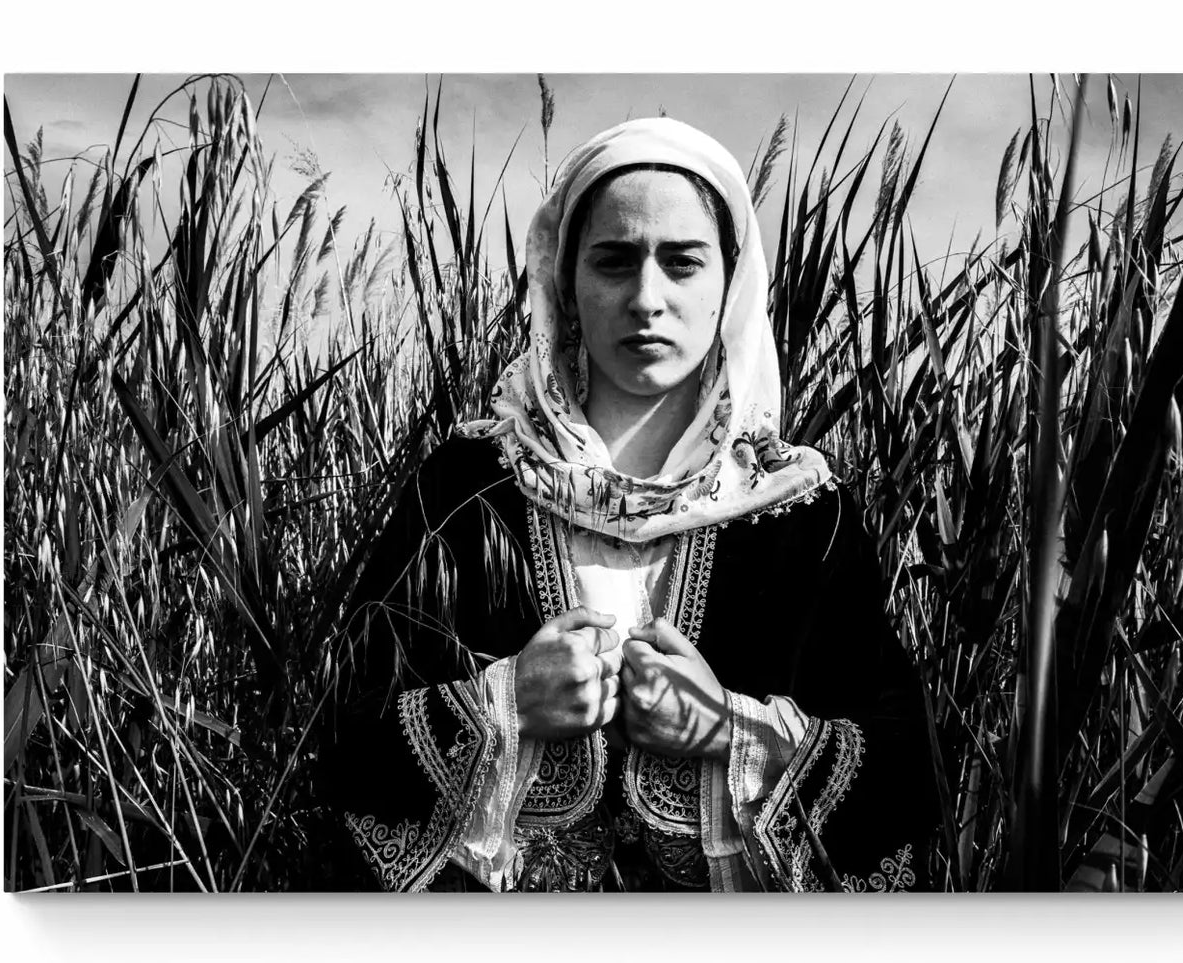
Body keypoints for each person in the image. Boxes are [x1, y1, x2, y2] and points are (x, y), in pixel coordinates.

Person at [317, 117, 939, 892]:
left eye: (682, 263)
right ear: (565, 283)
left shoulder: (800, 511)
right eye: (613, 261)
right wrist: (501, 702)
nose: (648, 298)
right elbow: (341, 730)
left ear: (729, 283)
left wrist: (731, 728)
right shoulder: (466, 488)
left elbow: (905, 765)